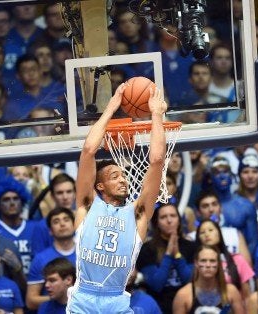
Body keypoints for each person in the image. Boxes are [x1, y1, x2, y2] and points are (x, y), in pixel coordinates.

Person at [67, 83, 167, 313]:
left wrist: (156, 115)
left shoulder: (137, 214)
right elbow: (88, 151)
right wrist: (111, 108)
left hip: (117, 301)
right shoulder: (87, 205)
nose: (123, 179)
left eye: (124, 175)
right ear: (99, 185)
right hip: (84, 299)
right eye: (115, 176)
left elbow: (157, 161)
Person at [137, 202, 196, 313]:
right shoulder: (147, 249)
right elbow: (156, 285)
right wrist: (168, 254)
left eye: (173, 216)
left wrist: (177, 254)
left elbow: (189, 281)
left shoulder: (191, 246)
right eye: (163, 217)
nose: (169, 220)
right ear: (157, 223)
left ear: (179, 220)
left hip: (187, 305)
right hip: (159, 306)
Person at [26, 207, 76, 310]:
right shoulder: (41, 259)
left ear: (74, 225)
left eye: (66, 220)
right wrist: (59, 298)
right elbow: (31, 301)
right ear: (50, 231)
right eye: (56, 221)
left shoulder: (87, 255)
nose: (62, 224)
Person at [172, 245, 245, 313]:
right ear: (196, 263)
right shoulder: (183, 295)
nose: (208, 265)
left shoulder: (231, 291)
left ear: (218, 264)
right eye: (203, 261)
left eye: (212, 261)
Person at [194, 219, 254, 299]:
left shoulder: (237, 259)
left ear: (219, 233)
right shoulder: (196, 263)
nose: (207, 234)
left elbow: (247, 296)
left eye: (210, 230)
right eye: (202, 232)